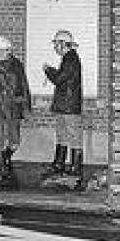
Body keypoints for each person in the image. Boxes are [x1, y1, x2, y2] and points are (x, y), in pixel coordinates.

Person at [0, 36, 31, 183]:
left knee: (15, 140)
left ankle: (6, 157)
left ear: (9, 50)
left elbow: (23, 85)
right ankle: (1, 164)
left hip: (14, 107)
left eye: (2, 51)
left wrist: (27, 107)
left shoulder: (17, 65)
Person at [43, 30, 83, 178]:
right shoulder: (69, 58)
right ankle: (60, 163)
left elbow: (59, 79)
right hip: (65, 105)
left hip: (69, 106)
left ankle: (75, 167)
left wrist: (48, 70)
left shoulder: (70, 59)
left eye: (56, 44)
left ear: (63, 44)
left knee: (73, 136)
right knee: (62, 135)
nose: (55, 47)